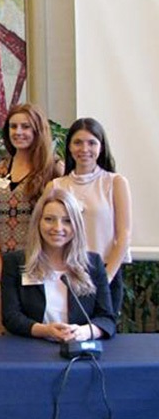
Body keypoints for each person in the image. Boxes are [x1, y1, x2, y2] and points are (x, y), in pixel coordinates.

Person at [1, 188, 116, 341]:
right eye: (49, 219)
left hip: (78, 350)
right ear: (38, 222)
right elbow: (11, 317)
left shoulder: (93, 264)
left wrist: (86, 332)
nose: (58, 228)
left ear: (76, 225)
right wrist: (45, 330)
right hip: (30, 349)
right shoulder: (15, 263)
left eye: (67, 221)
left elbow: (107, 318)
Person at [48, 118, 131, 315]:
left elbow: (124, 234)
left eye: (91, 142)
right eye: (78, 142)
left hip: (104, 270)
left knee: (102, 333)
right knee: (70, 332)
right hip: (66, 271)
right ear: (69, 147)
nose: (84, 148)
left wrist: (106, 277)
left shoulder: (115, 182)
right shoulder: (56, 186)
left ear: (101, 147)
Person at [0, 103, 62, 281]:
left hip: (38, 262)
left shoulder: (53, 168)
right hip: (2, 261)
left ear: (38, 130)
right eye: (13, 126)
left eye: (25, 126)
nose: (18, 132)